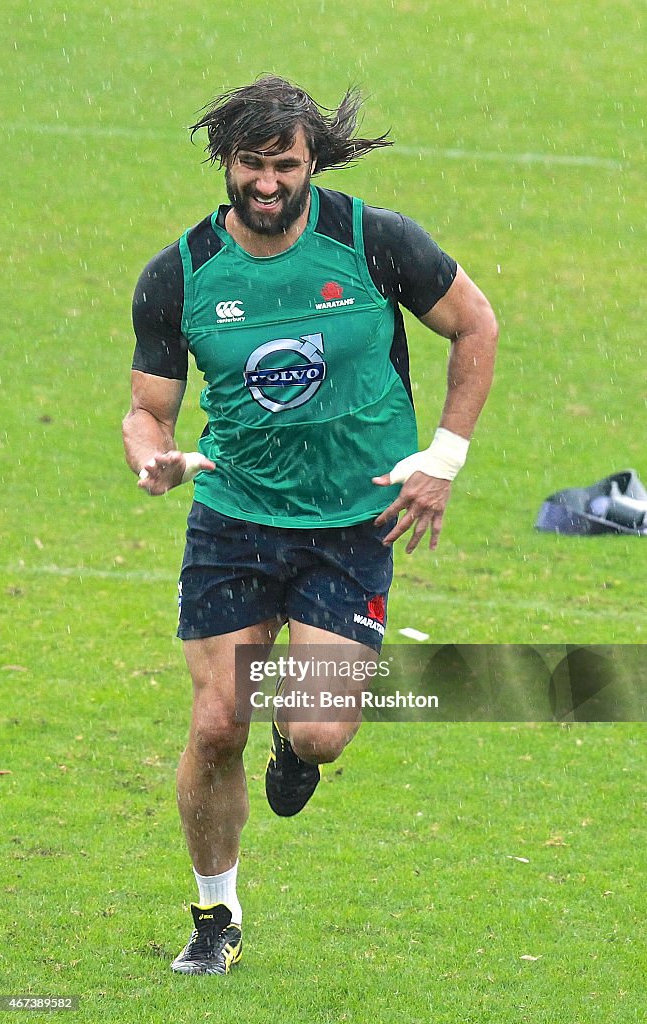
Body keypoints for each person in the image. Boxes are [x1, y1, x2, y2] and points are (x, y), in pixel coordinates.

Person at [122, 74, 498, 976]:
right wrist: (154, 455)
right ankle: (215, 917)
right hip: (234, 517)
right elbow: (147, 409)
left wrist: (440, 460)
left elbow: (475, 328)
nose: (264, 183)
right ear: (227, 162)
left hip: (352, 521)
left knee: (321, 731)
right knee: (216, 723)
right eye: (249, 164)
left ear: (310, 162)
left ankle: (297, 745)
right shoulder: (179, 273)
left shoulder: (374, 242)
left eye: (282, 164)